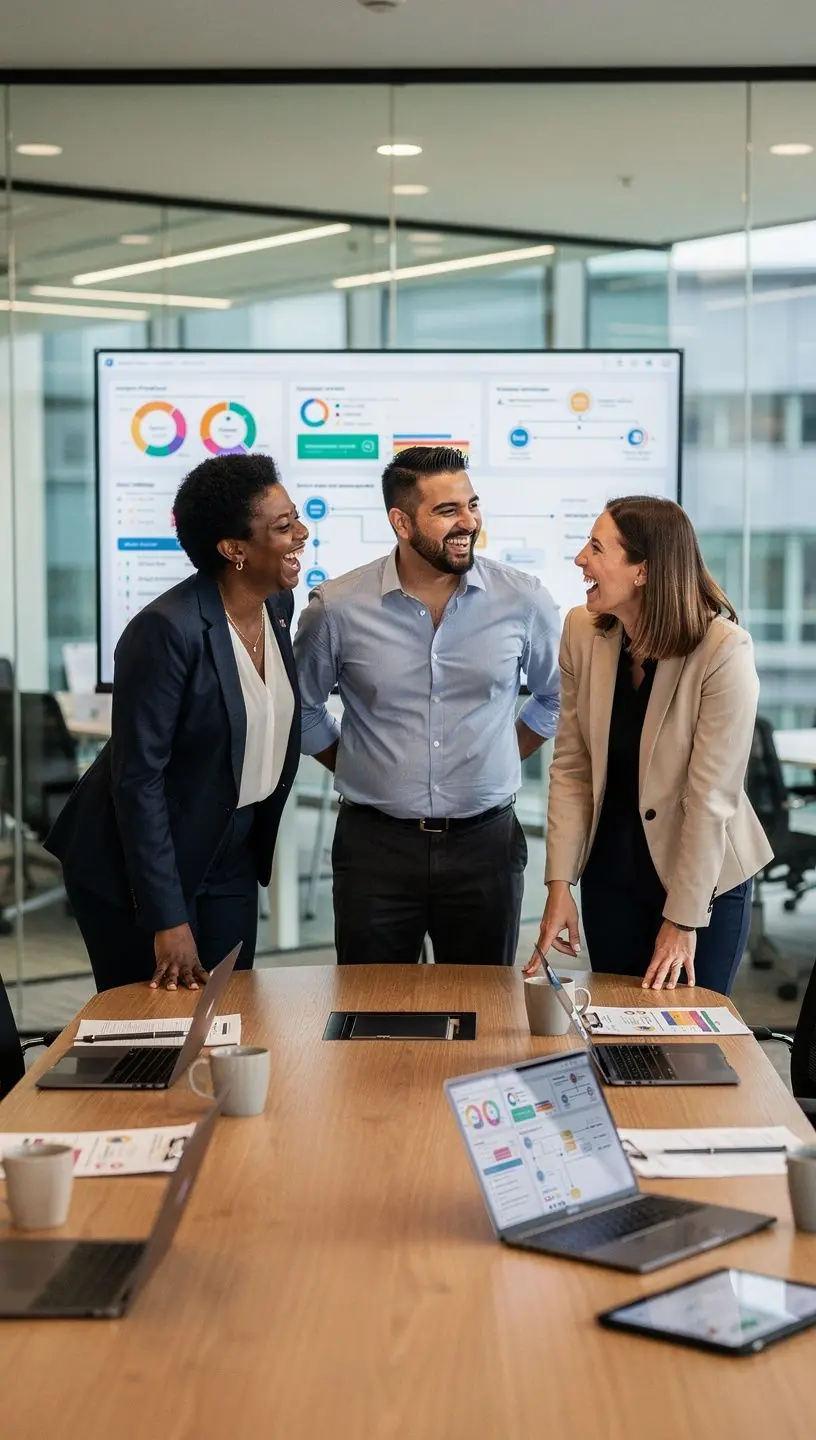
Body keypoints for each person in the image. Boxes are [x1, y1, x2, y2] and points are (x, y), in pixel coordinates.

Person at [45, 454, 307, 992]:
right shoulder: (164, 631)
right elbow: (138, 782)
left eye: (296, 518)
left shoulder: (276, 602)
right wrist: (166, 917)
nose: (301, 534)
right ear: (234, 550)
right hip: (137, 866)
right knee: (151, 1031)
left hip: (229, 848)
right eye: (283, 526)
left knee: (229, 1007)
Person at [293, 444, 561, 967]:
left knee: (485, 1018)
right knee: (370, 1016)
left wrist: (503, 752)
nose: (469, 523)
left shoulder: (524, 599)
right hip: (375, 849)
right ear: (401, 521)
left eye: (472, 505)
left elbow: (555, 697)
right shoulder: (338, 608)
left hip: (486, 845)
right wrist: (360, 764)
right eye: (447, 511)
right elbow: (302, 710)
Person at [525, 495, 773, 995]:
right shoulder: (581, 630)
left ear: (643, 571)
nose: (580, 560)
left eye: (596, 548)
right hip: (610, 871)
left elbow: (710, 800)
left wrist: (681, 922)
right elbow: (572, 766)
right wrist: (559, 886)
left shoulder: (723, 650)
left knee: (684, 1037)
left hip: (701, 880)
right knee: (618, 1026)